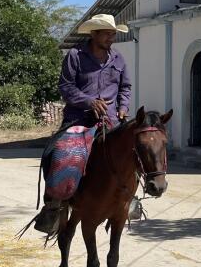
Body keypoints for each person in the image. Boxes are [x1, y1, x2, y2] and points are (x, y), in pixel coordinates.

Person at [31, 13, 132, 233]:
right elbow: (66, 87)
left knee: (132, 152)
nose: (111, 38)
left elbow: (125, 88)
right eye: (107, 34)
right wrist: (89, 102)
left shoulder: (118, 59)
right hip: (78, 119)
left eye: (113, 34)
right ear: (94, 34)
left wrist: (123, 108)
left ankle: (130, 201)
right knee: (58, 154)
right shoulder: (75, 56)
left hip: (111, 120)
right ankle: (54, 206)